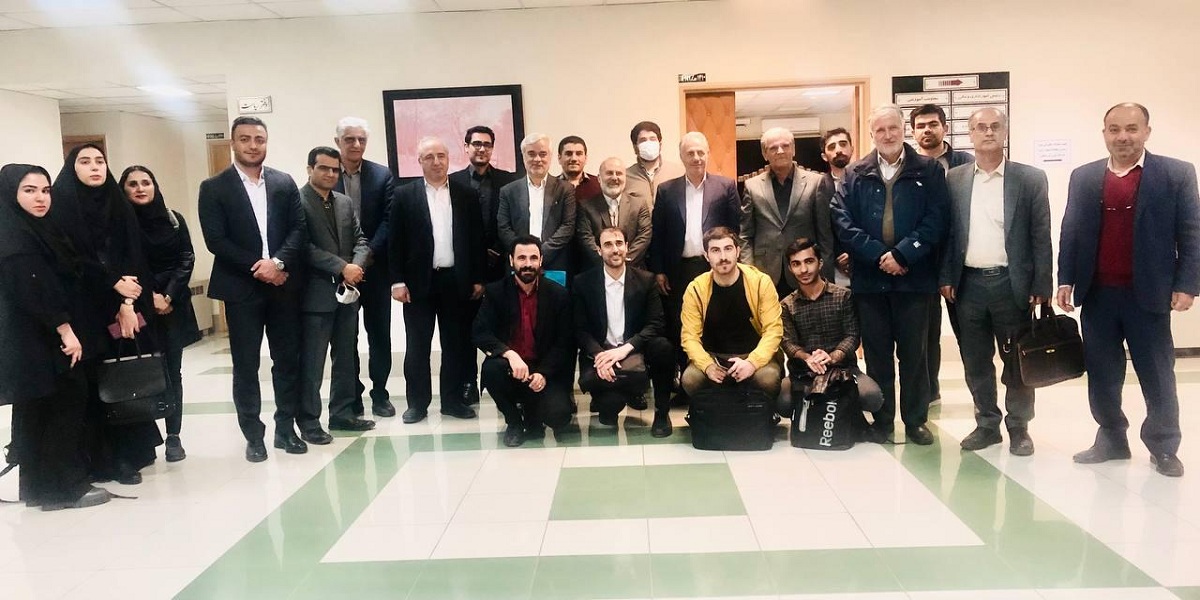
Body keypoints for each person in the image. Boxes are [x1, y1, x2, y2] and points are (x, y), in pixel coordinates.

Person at [1057, 102, 1200, 477]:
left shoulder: (1176, 174)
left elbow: (1191, 233)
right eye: (1115, 129)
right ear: (1104, 133)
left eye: (1132, 129)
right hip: (1098, 294)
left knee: (1158, 373)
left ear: (1147, 132)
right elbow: (1071, 230)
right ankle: (1111, 439)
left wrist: (1187, 284)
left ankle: (1163, 446)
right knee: (1102, 373)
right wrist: (1065, 278)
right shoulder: (1084, 176)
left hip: (1148, 295)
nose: (1123, 137)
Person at [832, 104, 949, 445]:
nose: (887, 135)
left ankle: (915, 421)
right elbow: (843, 222)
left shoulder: (928, 170)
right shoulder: (854, 173)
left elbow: (937, 219)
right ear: (872, 135)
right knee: (878, 356)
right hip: (871, 282)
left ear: (903, 130)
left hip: (915, 279)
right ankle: (882, 422)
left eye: (893, 128)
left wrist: (902, 254)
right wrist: (877, 255)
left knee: (915, 356)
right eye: (880, 130)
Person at [939, 108, 1052, 456]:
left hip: (1011, 284)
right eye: (980, 127)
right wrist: (946, 276)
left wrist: (1042, 285)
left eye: (994, 126)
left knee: (1017, 361)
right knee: (975, 361)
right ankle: (987, 424)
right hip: (968, 285)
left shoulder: (1030, 179)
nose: (988, 132)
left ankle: (1019, 427)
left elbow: (1041, 234)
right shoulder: (954, 179)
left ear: (1005, 132)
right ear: (970, 134)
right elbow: (947, 234)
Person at [0, 163, 112, 511]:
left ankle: (40, 488)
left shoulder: (35, 229)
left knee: (40, 410)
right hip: (39, 339)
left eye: (45, 190)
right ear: (11, 194)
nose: (40, 198)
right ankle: (64, 487)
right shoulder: (15, 237)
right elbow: (34, 289)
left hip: (35, 338)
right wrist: (65, 330)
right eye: (29, 190)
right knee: (66, 402)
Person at [197, 117, 309, 463]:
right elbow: (216, 240)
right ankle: (253, 436)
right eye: (244, 139)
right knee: (245, 366)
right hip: (240, 288)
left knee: (287, 360)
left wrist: (278, 263)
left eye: (259, 139)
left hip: (283, 286)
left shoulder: (283, 182)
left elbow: (298, 229)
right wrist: (260, 266)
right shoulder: (214, 187)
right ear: (233, 143)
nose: (252, 145)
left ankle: (285, 429)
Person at [51, 144, 162, 484]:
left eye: (100, 161)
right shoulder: (61, 207)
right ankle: (96, 459)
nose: (94, 167)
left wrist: (127, 304)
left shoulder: (118, 204)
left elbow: (134, 256)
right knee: (93, 384)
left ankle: (127, 455)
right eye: (85, 162)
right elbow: (70, 259)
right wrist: (112, 281)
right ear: (72, 168)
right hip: (83, 309)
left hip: (123, 307)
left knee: (122, 377)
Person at [390, 137, 485, 424]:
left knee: (455, 344)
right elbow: (395, 242)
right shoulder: (404, 195)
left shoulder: (466, 194)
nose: (436, 162)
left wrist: (478, 278)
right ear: (419, 161)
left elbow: (477, 239)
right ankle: (417, 404)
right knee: (417, 346)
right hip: (417, 283)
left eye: (441, 156)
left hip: (456, 281)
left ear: (449, 158)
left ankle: (452, 401)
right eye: (429, 157)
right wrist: (397, 281)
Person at [648, 132, 741, 401]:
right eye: (691, 153)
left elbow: (737, 229)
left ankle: (718, 379)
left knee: (715, 321)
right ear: (681, 156)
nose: (697, 157)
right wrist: (659, 270)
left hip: (716, 269)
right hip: (679, 269)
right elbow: (658, 234)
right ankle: (686, 386)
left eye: (701, 152)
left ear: (708, 153)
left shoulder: (725, 186)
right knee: (682, 324)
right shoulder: (667, 190)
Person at [119, 165, 202, 463]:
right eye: (132, 184)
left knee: (171, 372)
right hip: (134, 308)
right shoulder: (119, 224)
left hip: (171, 308)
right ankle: (140, 439)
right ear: (123, 189)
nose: (140, 188)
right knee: (138, 372)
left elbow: (186, 258)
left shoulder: (173, 220)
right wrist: (148, 296)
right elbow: (122, 265)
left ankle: (173, 436)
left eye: (146, 182)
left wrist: (167, 295)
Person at [298, 146, 374, 440]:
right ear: (310, 169)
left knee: (345, 359)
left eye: (334, 169)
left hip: (347, 295)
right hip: (315, 297)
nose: (330, 174)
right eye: (324, 168)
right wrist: (343, 267)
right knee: (312, 363)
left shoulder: (344, 202)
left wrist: (356, 266)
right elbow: (303, 247)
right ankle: (309, 422)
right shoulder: (297, 201)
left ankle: (342, 414)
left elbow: (361, 239)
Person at [474, 235, 575, 447]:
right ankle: (513, 422)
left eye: (533, 258)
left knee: (559, 416)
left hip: (543, 370)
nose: (527, 264)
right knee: (491, 369)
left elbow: (564, 342)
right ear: (511, 260)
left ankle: (532, 414)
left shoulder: (558, 294)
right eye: (521, 258)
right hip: (511, 369)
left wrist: (543, 373)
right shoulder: (496, 292)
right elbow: (480, 332)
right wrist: (509, 354)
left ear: (541, 261)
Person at [573, 227, 674, 434]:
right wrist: (599, 356)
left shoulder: (646, 280)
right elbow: (579, 328)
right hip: (601, 352)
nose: (615, 249)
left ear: (627, 247)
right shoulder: (583, 282)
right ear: (599, 250)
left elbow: (656, 324)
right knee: (608, 409)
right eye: (608, 245)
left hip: (633, 349)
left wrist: (625, 349)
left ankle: (662, 413)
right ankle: (622, 394)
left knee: (662, 346)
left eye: (619, 243)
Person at [779, 238, 883, 436]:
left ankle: (846, 415)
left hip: (843, 369)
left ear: (820, 263)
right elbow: (788, 343)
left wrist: (832, 356)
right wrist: (808, 358)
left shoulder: (843, 296)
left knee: (873, 397)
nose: (803, 269)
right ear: (790, 268)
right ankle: (815, 418)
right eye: (796, 264)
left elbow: (852, 335)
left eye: (809, 261)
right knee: (782, 403)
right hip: (804, 372)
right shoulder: (786, 305)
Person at [332, 117, 397, 418]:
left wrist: (366, 254)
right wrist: (345, 264)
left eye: (361, 139)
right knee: (346, 337)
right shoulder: (328, 173)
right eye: (349, 139)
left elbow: (388, 219)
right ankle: (353, 394)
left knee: (379, 335)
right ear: (338, 142)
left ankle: (380, 393)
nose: (356, 144)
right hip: (339, 270)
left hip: (374, 268)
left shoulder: (381, 175)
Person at [450, 125, 520, 406]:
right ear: (466, 147)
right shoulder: (453, 182)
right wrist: (476, 255)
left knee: (506, 325)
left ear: (492, 148)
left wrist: (501, 250)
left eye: (487, 144)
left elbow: (513, 221)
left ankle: (509, 381)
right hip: (466, 269)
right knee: (465, 329)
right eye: (476, 144)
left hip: (502, 265)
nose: (481, 149)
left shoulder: (509, 181)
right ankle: (468, 383)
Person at [910, 103, 975, 403]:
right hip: (921, 260)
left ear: (945, 128)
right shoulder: (909, 165)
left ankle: (980, 397)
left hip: (960, 259)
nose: (927, 130)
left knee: (968, 332)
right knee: (925, 332)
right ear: (913, 132)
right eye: (921, 126)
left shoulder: (965, 163)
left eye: (933, 124)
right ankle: (929, 390)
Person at [679, 227, 783, 397]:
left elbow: (774, 330)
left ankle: (759, 411)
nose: (723, 257)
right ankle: (712, 410)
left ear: (738, 251)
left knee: (768, 379)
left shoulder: (760, 282)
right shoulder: (696, 289)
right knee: (691, 379)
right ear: (706, 256)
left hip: (753, 353)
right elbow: (689, 337)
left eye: (728, 249)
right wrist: (707, 366)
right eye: (715, 250)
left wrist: (752, 363)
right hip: (713, 356)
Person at [740, 127, 835, 297]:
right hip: (765, 273)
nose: (780, 151)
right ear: (764, 154)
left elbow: (824, 234)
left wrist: (825, 275)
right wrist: (749, 272)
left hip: (806, 271)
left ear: (793, 149)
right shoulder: (752, 186)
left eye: (785, 146)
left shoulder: (815, 182)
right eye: (773, 148)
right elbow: (745, 235)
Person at [497, 133, 576, 274]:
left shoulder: (565, 189)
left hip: (554, 263)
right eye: (531, 154)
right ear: (523, 157)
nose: (537, 159)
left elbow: (567, 226)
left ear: (550, 157)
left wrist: (539, 254)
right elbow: (504, 227)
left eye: (542, 154)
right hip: (519, 265)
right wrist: (523, 255)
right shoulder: (508, 191)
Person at [576, 156, 651, 271]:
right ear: (599, 178)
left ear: (625, 178)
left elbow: (644, 235)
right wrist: (608, 262)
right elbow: (586, 238)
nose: (615, 177)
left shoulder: (639, 204)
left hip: (633, 271)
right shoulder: (586, 206)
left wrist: (623, 261)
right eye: (609, 173)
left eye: (619, 173)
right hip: (598, 271)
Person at [821, 128, 855, 288]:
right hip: (833, 266)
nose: (839, 150)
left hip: (865, 260)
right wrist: (838, 254)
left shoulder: (868, 180)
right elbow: (821, 228)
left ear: (852, 148)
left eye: (843, 144)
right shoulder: (818, 186)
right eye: (832, 147)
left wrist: (853, 253)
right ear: (824, 156)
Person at [625, 120, 684, 209]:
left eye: (652, 139)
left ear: (660, 144)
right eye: (643, 140)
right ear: (635, 147)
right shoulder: (626, 177)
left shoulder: (678, 172)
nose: (648, 143)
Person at [557, 135, 601, 204]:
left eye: (579, 154)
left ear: (585, 158)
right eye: (568, 154)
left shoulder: (599, 185)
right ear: (559, 158)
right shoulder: (550, 187)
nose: (574, 158)